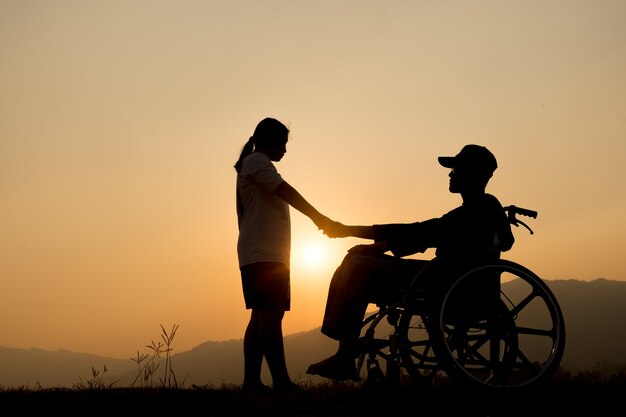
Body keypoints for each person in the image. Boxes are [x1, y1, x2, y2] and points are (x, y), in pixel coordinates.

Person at [306, 144, 515, 381]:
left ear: (471, 173)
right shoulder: (477, 210)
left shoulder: (477, 210)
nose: (450, 174)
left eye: (455, 169)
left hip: (447, 285)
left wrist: (349, 231)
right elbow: (421, 235)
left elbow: (419, 233)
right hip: (445, 281)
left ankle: (344, 353)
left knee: (356, 263)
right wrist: (369, 244)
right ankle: (345, 350)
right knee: (356, 261)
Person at [234, 117, 337, 393]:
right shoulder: (258, 163)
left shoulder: (252, 164)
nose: (286, 151)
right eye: (284, 144)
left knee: (260, 316)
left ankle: (252, 382)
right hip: (265, 253)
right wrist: (319, 218)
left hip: (258, 251)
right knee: (271, 315)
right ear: (271, 141)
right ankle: (281, 381)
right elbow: (286, 192)